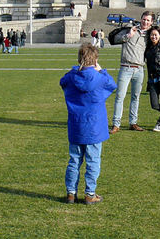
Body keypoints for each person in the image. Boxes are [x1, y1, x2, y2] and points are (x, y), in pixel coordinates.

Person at [60, 43, 117, 205]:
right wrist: (101, 70)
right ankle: (89, 193)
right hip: (94, 127)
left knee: (74, 160)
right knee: (93, 160)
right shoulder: (99, 78)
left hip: (77, 125)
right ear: (95, 60)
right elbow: (112, 85)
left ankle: (71, 193)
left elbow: (62, 81)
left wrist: (74, 69)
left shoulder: (72, 77)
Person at [110, 11, 153, 133]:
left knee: (136, 97)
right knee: (120, 96)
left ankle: (133, 122)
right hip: (126, 67)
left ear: (151, 22)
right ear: (141, 19)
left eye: (148, 20)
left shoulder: (149, 35)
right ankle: (116, 124)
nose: (145, 22)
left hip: (139, 69)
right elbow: (115, 40)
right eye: (144, 19)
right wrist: (129, 35)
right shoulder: (131, 29)